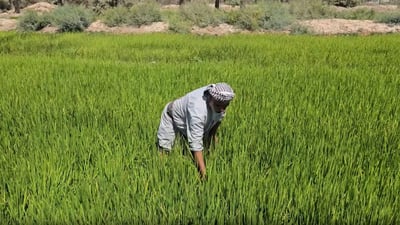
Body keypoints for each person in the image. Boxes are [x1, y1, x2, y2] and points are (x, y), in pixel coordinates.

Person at [156, 82, 235, 179]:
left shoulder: (219, 103)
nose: (222, 110)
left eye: (225, 106)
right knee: (165, 149)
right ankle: (161, 175)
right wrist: (204, 176)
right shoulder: (197, 110)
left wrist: (214, 148)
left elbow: (214, 128)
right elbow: (196, 145)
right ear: (210, 98)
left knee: (197, 139)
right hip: (171, 117)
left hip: (187, 118)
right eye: (219, 106)